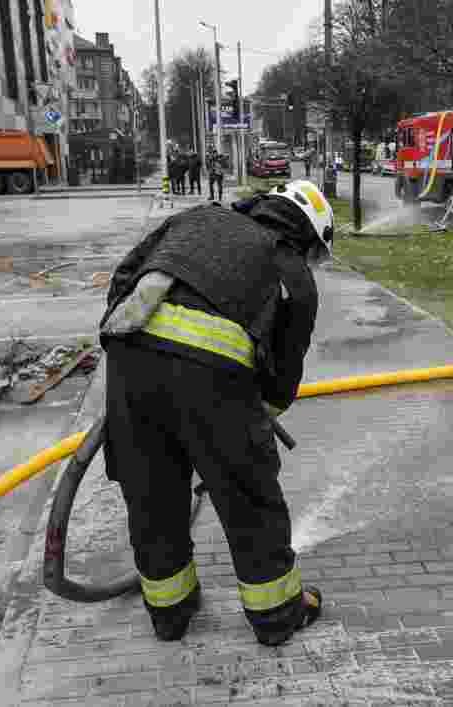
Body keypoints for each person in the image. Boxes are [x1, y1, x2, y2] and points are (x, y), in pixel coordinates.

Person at [98, 179, 334, 646]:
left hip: (130, 363)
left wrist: (128, 365)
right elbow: (282, 377)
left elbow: (125, 280)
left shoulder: (197, 217)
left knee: (151, 493)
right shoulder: (294, 275)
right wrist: (248, 429)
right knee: (249, 498)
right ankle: (277, 617)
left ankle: (170, 614)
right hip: (212, 383)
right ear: (307, 235)